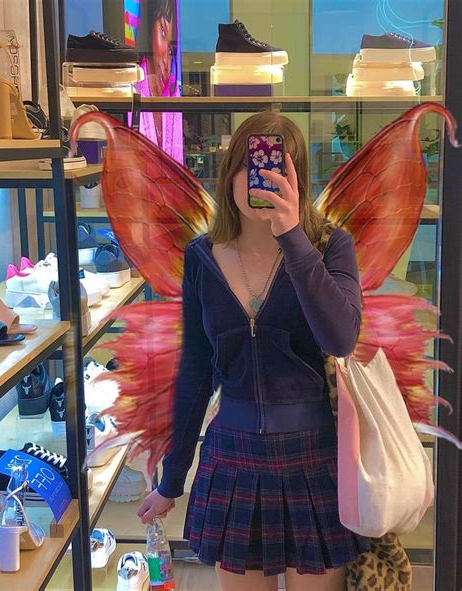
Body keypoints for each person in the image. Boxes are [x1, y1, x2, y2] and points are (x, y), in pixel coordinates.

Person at [137, 111, 370, 591]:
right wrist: (172, 477)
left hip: (315, 461)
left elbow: (340, 337)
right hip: (233, 461)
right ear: (230, 174)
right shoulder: (202, 256)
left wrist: (293, 237)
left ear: (298, 180)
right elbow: (195, 372)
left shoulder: (329, 247)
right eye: (250, 165)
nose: (260, 179)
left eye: (278, 168)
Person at [134, 0, 183, 161]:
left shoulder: (173, 88)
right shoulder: (135, 83)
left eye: (171, 48)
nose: (165, 51)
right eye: (162, 32)